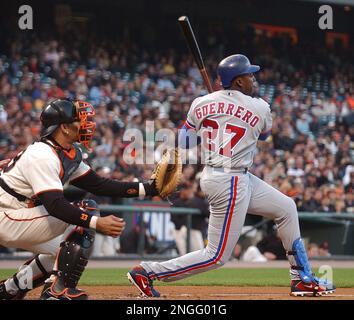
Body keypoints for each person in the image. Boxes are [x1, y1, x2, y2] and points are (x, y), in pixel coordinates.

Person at [127, 54, 336, 297]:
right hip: (230, 181)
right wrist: (228, 114)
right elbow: (266, 135)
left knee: (287, 207)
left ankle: (301, 278)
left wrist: (210, 115)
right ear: (237, 82)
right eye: (248, 75)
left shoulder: (200, 103)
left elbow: (184, 140)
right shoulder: (259, 106)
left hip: (230, 176)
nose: (253, 79)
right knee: (216, 256)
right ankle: (147, 272)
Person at [0, 98, 158, 300]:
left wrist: (150, 188)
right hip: (6, 215)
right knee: (87, 211)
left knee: (63, 252)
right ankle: (58, 292)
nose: (86, 124)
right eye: (79, 120)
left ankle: (9, 290)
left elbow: (101, 185)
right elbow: (55, 205)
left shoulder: (65, 151)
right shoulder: (43, 154)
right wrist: (96, 222)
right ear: (64, 127)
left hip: (18, 212)